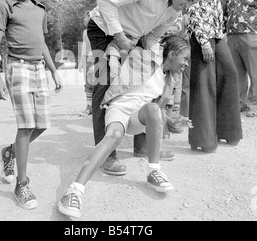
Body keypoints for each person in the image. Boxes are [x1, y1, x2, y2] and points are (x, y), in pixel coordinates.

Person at [86, 0, 209, 175]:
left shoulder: (177, 10)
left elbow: (152, 36)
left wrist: (153, 64)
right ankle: (106, 155)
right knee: (104, 84)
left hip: (134, 37)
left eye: (192, 3)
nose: (187, 6)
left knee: (147, 82)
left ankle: (144, 146)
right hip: (102, 28)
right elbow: (105, 2)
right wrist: (120, 37)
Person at [57, 34, 193, 219]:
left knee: (153, 108)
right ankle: (74, 191)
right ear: (171, 54)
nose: (186, 64)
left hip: (138, 117)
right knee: (113, 135)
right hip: (119, 107)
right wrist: (112, 61)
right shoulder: (142, 56)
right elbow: (117, 46)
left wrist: (172, 120)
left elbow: (157, 110)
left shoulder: (170, 80)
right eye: (184, 58)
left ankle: (154, 171)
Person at [0, 0, 63, 210]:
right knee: (26, 126)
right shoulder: (5, 6)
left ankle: (10, 152)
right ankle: (22, 183)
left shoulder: (40, 8)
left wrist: (53, 71)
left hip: (39, 69)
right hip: (17, 67)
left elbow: (42, 43)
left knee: (42, 125)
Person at [186, 0, 243, 153]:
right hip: (202, 38)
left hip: (217, 36)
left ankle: (227, 131)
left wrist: (218, 36)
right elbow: (192, 10)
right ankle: (203, 139)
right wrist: (203, 41)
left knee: (230, 73)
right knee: (204, 85)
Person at [78, 10, 93, 116]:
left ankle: (98, 107)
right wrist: (80, 62)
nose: (83, 19)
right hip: (87, 59)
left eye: (85, 17)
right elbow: (84, 47)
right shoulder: (85, 32)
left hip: (98, 58)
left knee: (99, 83)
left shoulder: (100, 30)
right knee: (88, 84)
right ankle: (89, 107)